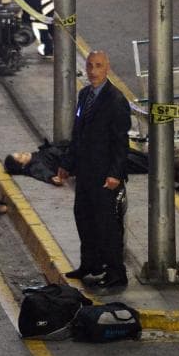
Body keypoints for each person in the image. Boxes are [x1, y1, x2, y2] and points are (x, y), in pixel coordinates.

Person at [58, 50, 131, 289]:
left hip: (104, 175)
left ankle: (115, 272)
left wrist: (115, 174)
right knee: (84, 217)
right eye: (90, 66)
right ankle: (90, 264)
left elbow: (121, 142)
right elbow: (78, 133)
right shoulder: (85, 95)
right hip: (86, 172)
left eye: (98, 66)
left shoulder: (116, 101)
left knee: (107, 225)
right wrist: (67, 164)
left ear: (107, 68)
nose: (93, 71)